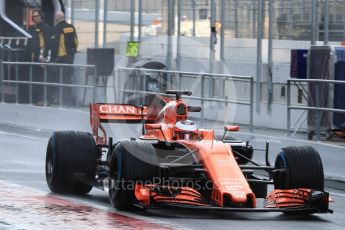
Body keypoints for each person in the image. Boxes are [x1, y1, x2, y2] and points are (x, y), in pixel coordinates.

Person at [49, 12, 79, 106]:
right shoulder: (71, 27)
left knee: (57, 80)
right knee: (67, 80)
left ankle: (60, 100)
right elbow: (76, 42)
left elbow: (55, 45)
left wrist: (53, 58)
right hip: (70, 59)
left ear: (57, 18)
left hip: (60, 59)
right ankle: (68, 101)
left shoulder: (57, 28)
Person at [26, 9, 51, 105]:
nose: (34, 18)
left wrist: (45, 56)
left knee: (42, 78)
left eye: (36, 16)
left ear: (41, 17)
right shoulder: (31, 28)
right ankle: (36, 99)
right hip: (33, 58)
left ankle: (44, 99)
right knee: (34, 78)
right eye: (33, 16)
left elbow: (48, 43)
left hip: (42, 58)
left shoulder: (45, 27)